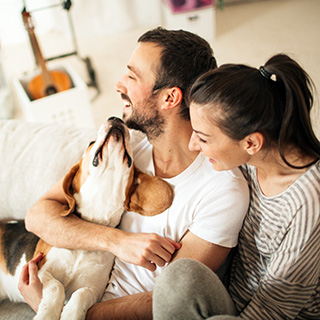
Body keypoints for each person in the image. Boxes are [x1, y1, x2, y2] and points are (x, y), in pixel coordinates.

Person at [18, 27, 249, 319]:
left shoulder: (223, 191)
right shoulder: (128, 143)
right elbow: (37, 216)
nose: (118, 84)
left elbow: (168, 298)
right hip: (72, 290)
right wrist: (117, 241)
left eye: (132, 76)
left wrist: (60, 311)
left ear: (169, 98)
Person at [153, 53, 320, 319]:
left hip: (270, 313)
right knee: (179, 276)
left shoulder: (309, 203)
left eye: (203, 138)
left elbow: (273, 309)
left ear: (251, 143)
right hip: (232, 293)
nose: (192, 144)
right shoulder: (249, 160)